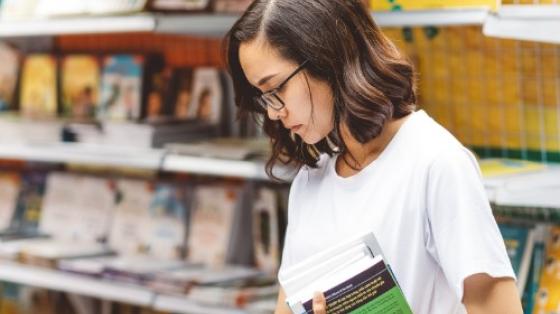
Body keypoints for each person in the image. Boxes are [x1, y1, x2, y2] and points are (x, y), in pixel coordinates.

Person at [224, 1, 522, 313]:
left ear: (326, 57)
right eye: (264, 97)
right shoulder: (310, 181)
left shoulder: (436, 163)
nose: (274, 111)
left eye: (277, 89)